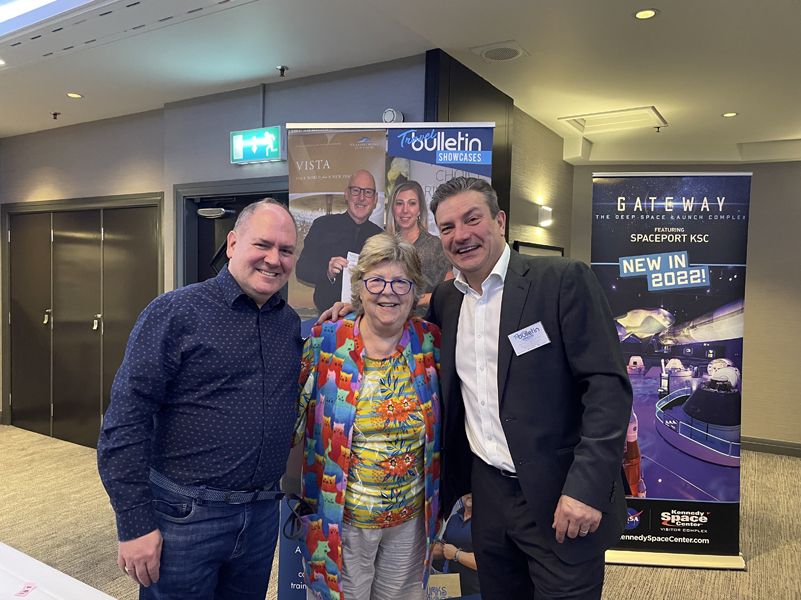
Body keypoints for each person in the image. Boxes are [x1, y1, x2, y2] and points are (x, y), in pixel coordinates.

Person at [322, 178, 632, 599]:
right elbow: (396, 322)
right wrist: (353, 313)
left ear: (500, 221)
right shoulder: (447, 300)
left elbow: (607, 388)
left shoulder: (560, 280)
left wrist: (586, 489)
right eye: (448, 227)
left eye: (472, 219)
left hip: (560, 495)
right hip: (488, 501)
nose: (461, 235)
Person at [97, 199, 303, 600]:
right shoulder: (176, 312)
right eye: (262, 245)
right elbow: (124, 421)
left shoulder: (288, 323)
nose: (273, 259)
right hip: (185, 517)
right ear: (233, 243)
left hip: (262, 514)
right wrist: (135, 524)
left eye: (286, 250)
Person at [294, 233, 442, 600]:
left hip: (410, 525)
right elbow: (288, 422)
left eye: (400, 282)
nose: (388, 292)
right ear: (359, 286)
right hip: (339, 523)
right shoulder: (326, 341)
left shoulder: (431, 343)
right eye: (376, 280)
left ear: (415, 290)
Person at [296, 169, 384, 313]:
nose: (361, 197)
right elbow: (301, 269)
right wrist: (327, 272)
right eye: (356, 190)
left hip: (367, 317)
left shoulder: (381, 237)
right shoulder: (322, 225)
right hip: (328, 317)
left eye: (368, 192)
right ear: (346, 194)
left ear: (375, 199)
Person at [385, 180, 452, 313]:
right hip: (386, 318)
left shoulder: (435, 246)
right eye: (399, 203)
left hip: (422, 321)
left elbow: (449, 293)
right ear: (392, 208)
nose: (405, 210)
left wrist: (415, 300)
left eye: (412, 203)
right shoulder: (381, 245)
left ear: (420, 209)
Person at [432, 493, 480, 597]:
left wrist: (456, 554)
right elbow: (443, 547)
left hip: (478, 592)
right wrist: (427, 553)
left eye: (474, 489)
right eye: (467, 490)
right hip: (452, 590)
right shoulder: (453, 519)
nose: (470, 494)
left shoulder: (487, 522)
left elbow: (488, 562)